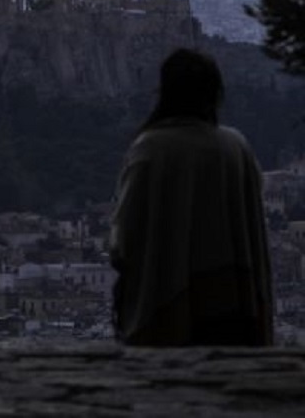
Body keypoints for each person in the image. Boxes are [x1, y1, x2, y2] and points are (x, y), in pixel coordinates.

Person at [110, 48, 273, 346]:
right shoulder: (236, 148)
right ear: (215, 93)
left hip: (165, 306)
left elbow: (124, 238)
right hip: (233, 307)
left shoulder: (150, 149)